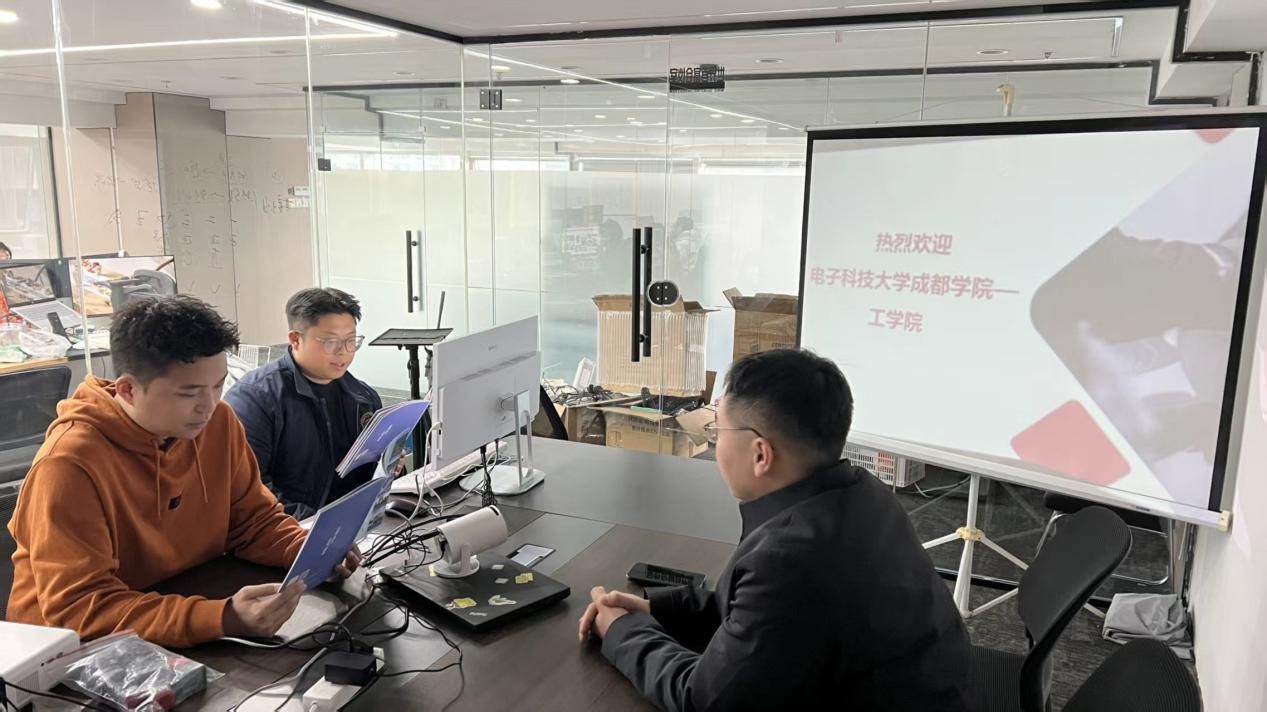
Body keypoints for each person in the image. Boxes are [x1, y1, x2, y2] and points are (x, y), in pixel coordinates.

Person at [578, 348, 972, 711]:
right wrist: (656, 609)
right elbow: (761, 616)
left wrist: (621, 630)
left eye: (717, 431)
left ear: (761, 454)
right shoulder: (862, 493)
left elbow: (705, 701)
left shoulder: (789, 558)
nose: (715, 444)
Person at [8, 295, 360, 648]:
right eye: (188, 394)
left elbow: (252, 520)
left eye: (218, 386)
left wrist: (311, 550)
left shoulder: (218, 422)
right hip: (66, 655)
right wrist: (220, 618)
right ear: (128, 390)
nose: (208, 406)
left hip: (182, 602)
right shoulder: (68, 465)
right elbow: (79, 608)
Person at [225, 287, 381, 520]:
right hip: (291, 529)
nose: (344, 352)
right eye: (330, 341)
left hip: (358, 524)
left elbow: (366, 474)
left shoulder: (362, 397)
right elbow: (251, 492)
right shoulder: (255, 398)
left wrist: (386, 464)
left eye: (351, 340)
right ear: (295, 339)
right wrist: (319, 525)